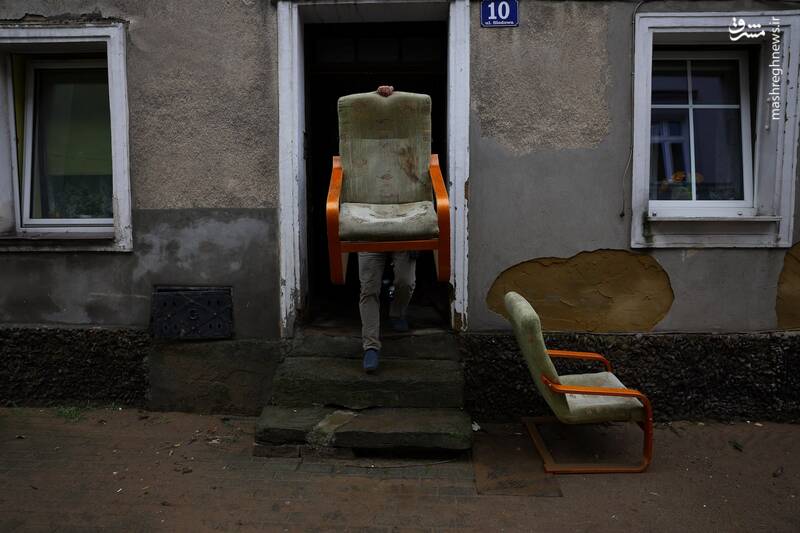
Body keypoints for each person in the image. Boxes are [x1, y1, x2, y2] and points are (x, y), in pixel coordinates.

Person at [359, 84, 415, 373]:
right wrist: (375, 98)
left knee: (405, 281)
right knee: (369, 288)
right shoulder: (361, 152)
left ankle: (397, 311)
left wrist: (394, 99)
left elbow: (413, 117)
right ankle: (371, 346)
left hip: (402, 223)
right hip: (369, 225)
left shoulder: (408, 150)